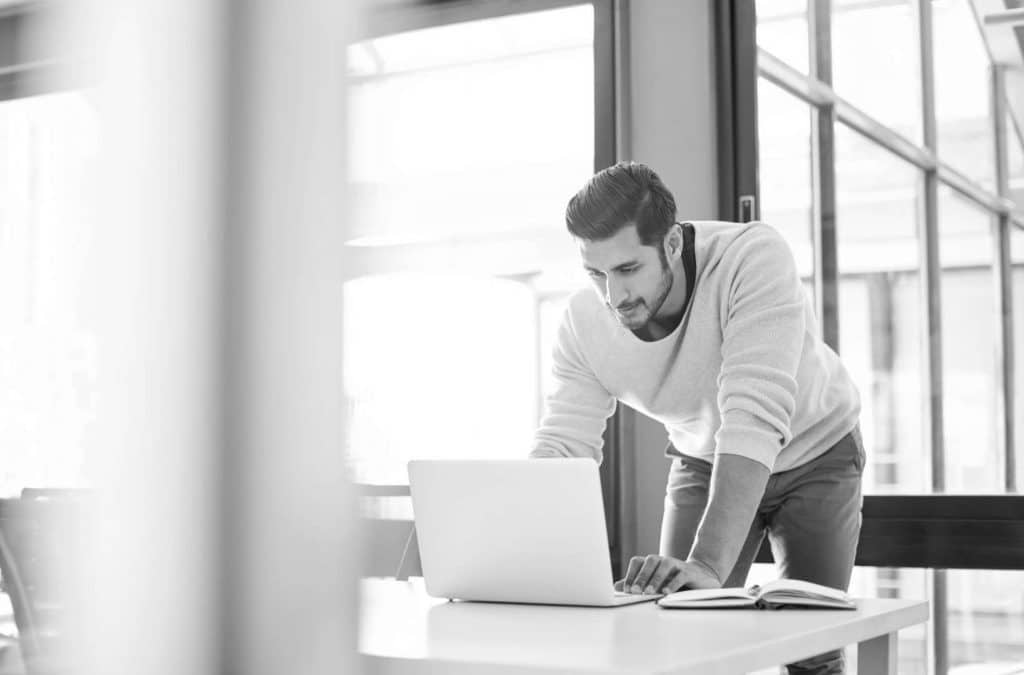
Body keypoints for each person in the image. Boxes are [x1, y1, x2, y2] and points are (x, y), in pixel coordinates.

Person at [530, 161, 863, 675]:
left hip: (814, 449)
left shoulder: (751, 257)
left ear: (669, 244)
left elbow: (754, 415)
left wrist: (708, 563)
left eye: (627, 270)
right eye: (595, 274)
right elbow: (563, 445)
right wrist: (509, 535)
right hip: (704, 455)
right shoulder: (583, 323)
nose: (614, 297)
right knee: (683, 634)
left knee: (809, 648)